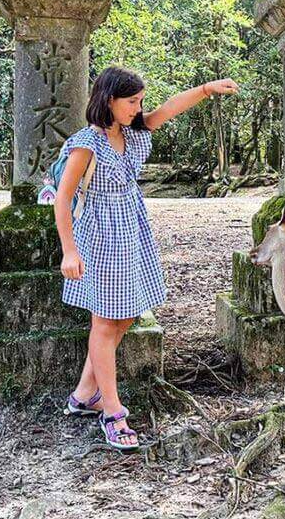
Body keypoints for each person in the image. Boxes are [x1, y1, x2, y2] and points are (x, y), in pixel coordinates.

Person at [55, 66, 239, 450]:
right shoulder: (87, 143)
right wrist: (69, 250)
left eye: (140, 101)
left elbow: (169, 109)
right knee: (105, 324)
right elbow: (63, 198)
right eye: (132, 102)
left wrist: (206, 88)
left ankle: (85, 393)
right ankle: (112, 412)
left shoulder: (133, 133)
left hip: (130, 233)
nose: (138, 109)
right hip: (100, 237)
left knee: (123, 317)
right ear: (109, 100)